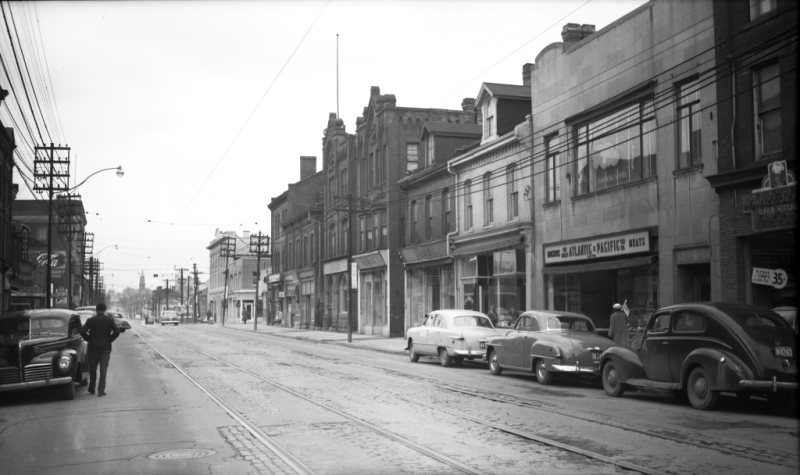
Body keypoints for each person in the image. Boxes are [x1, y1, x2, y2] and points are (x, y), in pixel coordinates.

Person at [80, 303, 120, 397]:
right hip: (105, 347)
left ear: (96, 310)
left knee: (92, 368)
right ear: (105, 310)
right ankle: (101, 390)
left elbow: (82, 331)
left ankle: (92, 388)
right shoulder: (109, 320)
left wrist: (89, 339)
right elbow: (117, 331)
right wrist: (110, 339)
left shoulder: (90, 320)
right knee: (103, 369)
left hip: (93, 347)